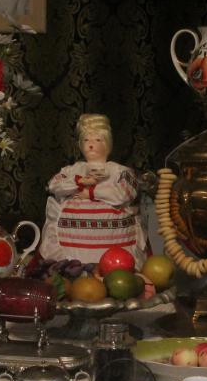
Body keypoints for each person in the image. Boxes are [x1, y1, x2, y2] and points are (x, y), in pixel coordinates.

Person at [39, 114, 147, 267]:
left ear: (107, 143)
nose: (91, 144)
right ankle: (72, 266)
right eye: (86, 140)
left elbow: (125, 193)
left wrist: (91, 192)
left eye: (97, 140)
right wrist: (80, 181)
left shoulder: (119, 171)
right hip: (70, 244)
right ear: (80, 144)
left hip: (115, 244)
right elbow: (54, 185)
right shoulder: (73, 170)